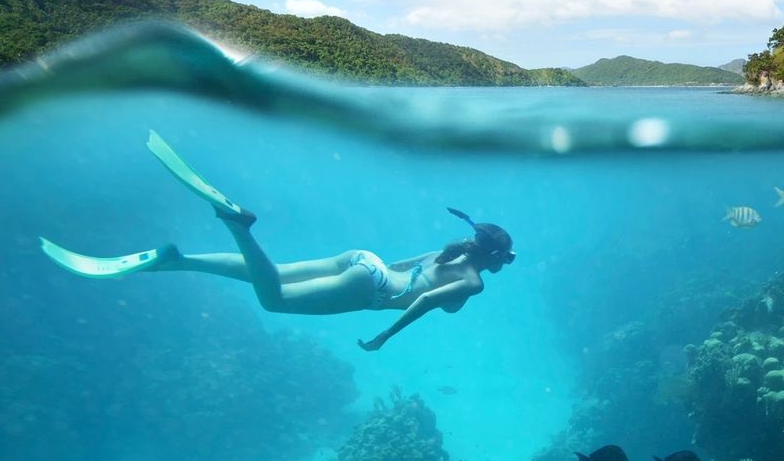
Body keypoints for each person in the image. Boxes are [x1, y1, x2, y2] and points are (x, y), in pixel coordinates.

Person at [39, 132, 514, 351]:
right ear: (493, 258)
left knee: (272, 273)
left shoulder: (447, 249)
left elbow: (393, 263)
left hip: (364, 261)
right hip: (371, 290)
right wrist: (385, 337)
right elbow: (425, 301)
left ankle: (177, 259)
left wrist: (364, 274)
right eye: (504, 260)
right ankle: (238, 225)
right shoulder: (473, 283)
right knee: (275, 300)